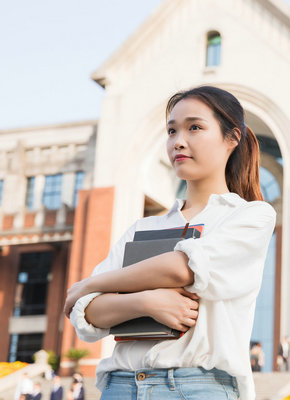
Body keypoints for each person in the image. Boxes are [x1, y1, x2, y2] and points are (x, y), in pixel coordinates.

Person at [63, 86, 276, 400]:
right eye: (172, 130)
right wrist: (146, 302)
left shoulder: (250, 216)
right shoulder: (143, 227)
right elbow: (86, 313)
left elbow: (182, 268)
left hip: (197, 387)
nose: (179, 141)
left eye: (195, 127)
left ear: (232, 138)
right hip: (120, 386)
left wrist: (90, 283)